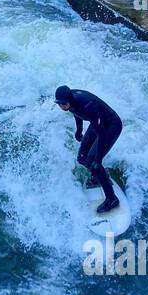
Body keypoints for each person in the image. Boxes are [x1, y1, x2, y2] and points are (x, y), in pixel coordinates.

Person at [54, 85, 123, 213]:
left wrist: (98, 160)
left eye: (63, 103)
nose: (61, 106)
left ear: (69, 100)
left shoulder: (88, 106)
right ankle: (99, 175)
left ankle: (112, 199)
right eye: (59, 103)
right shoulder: (70, 101)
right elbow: (75, 111)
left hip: (111, 125)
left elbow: (102, 134)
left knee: (93, 162)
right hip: (97, 123)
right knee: (82, 158)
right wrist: (79, 129)